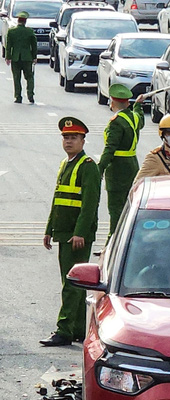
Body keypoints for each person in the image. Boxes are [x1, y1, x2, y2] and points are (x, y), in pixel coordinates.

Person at [40, 117, 101, 346]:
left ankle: (64, 330)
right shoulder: (65, 164)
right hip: (63, 232)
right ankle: (76, 329)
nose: (68, 142)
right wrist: (49, 229)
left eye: (74, 138)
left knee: (71, 284)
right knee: (71, 282)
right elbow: (58, 200)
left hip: (76, 235)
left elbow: (89, 204)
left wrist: (80, 233)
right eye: (66, 137)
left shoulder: (88, 167)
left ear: (83, 140)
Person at [98, 83, 145, 238]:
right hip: (132, 166)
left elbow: (110, 148)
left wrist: (100, 168)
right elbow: (141, 120)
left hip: (117, 171)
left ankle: (112, 242)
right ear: (127, 103)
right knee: (129, 206)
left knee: (116, 210)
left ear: (112, 102)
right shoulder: (133, 117)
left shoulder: (116, 122)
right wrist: (138, 105)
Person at [4, 11, 37, 104]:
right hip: (27, 58)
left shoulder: (11, 31)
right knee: (29, 77)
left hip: (15, 58)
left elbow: (8, 45)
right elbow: (34, 46)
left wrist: (8, 57)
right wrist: (34, 57)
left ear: (18, 20)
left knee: (16, 78)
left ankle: (18, 97)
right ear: (25, 21)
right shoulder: (29, 31)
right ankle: (30, 95)